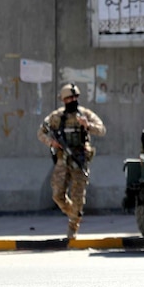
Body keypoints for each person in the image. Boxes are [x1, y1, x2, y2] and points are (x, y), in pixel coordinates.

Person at [37, 82, 106, 240]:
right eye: (69, 98)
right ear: (63, 100)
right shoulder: (56, 117)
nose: (73, 100)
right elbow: (41, 132)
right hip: (63, 159)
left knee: (77, 195)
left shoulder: (85, 114)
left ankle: (73, 225)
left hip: (80, 159)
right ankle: (74, 213)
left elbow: (102, 129)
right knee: (57, 194)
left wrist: (88, 126)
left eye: (75, 97)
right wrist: (51, 142)